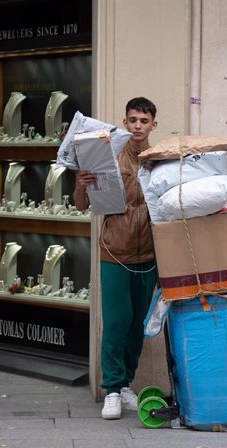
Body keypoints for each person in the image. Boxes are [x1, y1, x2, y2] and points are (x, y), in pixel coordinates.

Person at [73, 97, 158, 420]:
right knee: (117, 323)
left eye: (144, 121)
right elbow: (82, 204)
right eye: (133, 120)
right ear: (125, 122)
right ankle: (111, 389)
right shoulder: (108, 155)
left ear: (153, 125)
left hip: (148, 255)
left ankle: (125, 385)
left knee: (137, 326)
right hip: (114, 252)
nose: (138, 126)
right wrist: (81, 184)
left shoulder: (157, 160)